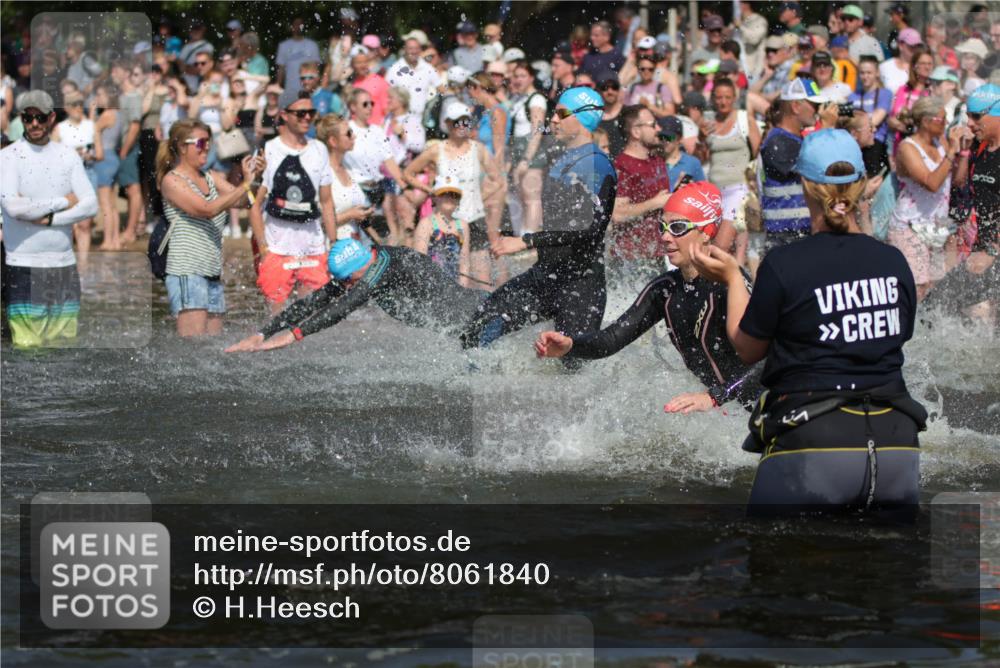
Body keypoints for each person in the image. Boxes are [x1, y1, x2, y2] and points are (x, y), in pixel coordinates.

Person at [690, 128, 925, 512]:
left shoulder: (784, 264)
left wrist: (733, 278)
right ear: (861, 185)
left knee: (775, 563)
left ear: (805, 186)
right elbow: (900, 335)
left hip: (814, 436)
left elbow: (747, 348)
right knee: (889, 569)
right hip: (896, 439)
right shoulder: (893, 261)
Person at [536, 182, 759, 412]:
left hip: (766, 406)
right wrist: (571, 345)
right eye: (662, 227)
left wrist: (714, 397)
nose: (665, 236)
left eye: (678, 227)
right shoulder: (665, 290)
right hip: (729, 412)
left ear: (706, 232)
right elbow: (612, 339)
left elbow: (767, 358)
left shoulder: (731, 283)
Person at [460, 87, 617, 359]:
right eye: (554, 112)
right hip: (546, 275)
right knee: (476, 328)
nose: (553, 119)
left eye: (561, 113)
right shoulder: (563, 158)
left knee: (571, 371)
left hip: (580, 286)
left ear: (585, 117)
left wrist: (525, 240)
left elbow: (587, 229)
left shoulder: (594, 163)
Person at [224, 238, 487, 353]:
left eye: (347, 281)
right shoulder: (361, 270)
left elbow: (344, 307)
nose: (346, 286)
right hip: (461, 329)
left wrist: (292, 336)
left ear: (356, 270)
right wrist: (262, 333)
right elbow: (313, 302)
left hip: (477, 315)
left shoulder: (383, 266)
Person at [1, 90, 98, 349]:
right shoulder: (8, 157)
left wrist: (52, 220)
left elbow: (91, 204)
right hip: (23, 265)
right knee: (28, 348)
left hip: (63, 265)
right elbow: (13, 207)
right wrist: (64, 201)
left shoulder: (67, 155)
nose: (34, 123)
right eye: (28, 117)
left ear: (51, 118)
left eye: (40, 117)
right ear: (21, 118)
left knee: (64, 348)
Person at [157, 120, 262, 336]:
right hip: (187, 271)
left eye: (208, 142)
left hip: (212, 272)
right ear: (181, 146)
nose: (207, 147)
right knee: (193, 348)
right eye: (201, 142)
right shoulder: (172, 181)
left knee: (211, 348)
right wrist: (243, 185)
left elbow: (245, 202)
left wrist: (254, 177)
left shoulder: (210, 176)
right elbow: (205, 209)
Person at [249, 92, 338, 314]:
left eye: (311, 113)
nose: (307, 117)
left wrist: (334, 243)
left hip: (313, 246)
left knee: (311, 318)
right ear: (284, 115)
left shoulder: (320, 149)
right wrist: (263, 250)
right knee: (276, 320)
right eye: (301, 113)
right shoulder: (268, 149)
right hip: (277, 247)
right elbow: (254, 204)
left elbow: (327, 202)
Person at [404, 103, 500, 287]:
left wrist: (479, 196)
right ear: (447, 124)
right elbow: (408, 173)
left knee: (483, 279)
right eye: (457, 122)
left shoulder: (478, 149)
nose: (462, 126)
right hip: (446, 221)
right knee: (445, 275)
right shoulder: (436, 149)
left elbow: (498, 180)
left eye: (466, 122)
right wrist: (430, 191)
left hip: (474, 217)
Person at [926, 84, 1000, 319]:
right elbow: (960, 183)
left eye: (976, 116)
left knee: (936, 307)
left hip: (991, 252)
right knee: (933, 308)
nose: (969, 122)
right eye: (968, 115)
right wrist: (964, 152)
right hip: (983, 250)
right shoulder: (981, 147)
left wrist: (991, 250)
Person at [889, 97, 967, 301]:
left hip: (936, 226)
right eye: (942, 119)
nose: (946, 122)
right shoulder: (908, 147)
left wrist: (964, 151)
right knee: (917, 289)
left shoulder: (941, 143)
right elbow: (931, 183)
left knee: (936, 288)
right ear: (926, 121)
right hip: (909, 226)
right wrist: (951, 151)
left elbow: (958, 181)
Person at [759, 79, 836, 254]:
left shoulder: (797, 140)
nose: (818, 111)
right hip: (784, 235)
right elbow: (816, 166)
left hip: (801, 231)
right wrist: (825, 129)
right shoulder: (778, 141)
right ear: (795, 106)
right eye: (814, 105)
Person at [609, 105, 670, 284]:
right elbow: (618, 214)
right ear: (636, 131)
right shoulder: (622, 165)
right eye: (653, 125)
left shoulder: (657, 160)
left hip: (657, 252)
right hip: (631, 257)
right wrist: (656, 202)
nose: (658, 129)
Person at [702, 78, 760, 256]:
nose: (723, 101)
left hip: (738, 189)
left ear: (734, 98)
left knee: (720, 246)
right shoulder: (708, 121)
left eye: (727, 97)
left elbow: (757, 152)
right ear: (712, 98)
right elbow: (703, 158)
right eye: (718, 97)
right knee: (711, 244)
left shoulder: (744, 119)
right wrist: (701, 138)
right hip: (714, 192)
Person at [344, 88, 409, 245]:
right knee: (366, 240)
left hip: (378, 191)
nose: (370, 108)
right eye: (365, 104)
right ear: (353, 107)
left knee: (386, 239)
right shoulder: (346, 130)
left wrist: (405, 190)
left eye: (371, 103)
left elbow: (390, 162)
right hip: (356, 191)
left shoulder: (377, 131)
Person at [316, 114, 376, 246]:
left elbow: (356, 214)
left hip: (356, 248)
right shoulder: (323, 174)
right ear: (333, 141)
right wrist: (350, 214)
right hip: (333, 251)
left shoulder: (348, 168)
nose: (354, 136)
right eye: (348, 133)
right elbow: (319, 224)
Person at [507, 61, 548, 235]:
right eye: (516, 76)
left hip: (532, 154)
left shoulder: (536, 99)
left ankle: (530, 239)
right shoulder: (518, 99)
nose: (518, 80)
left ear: (531, 78)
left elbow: (537, 131)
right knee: (520, 197)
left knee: (532, 197)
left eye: (523, 76)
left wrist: (526, 159)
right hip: (518, 150)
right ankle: (523, 235)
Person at [412, 181, 471, 284]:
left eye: (454, 195)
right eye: (444, 194)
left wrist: (463, 287)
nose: (450, 198)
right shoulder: (426, 223)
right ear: (434, 198)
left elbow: (464, 261)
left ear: (458, 201)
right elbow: (420, 260)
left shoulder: (462, 226)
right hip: (430, 281)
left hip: (453, 283)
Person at [90, 83, 123, 251]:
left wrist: (91, 112)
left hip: (104, 159)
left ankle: (108, 241)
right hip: (113, 158)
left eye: (100, 95)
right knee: (112, 204)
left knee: (105, 204)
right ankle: (115, 239)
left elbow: (90, 130)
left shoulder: (107, 114)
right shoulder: (117, 113)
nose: (98, 98)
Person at [850, 57, 893, 177]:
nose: (865, 76)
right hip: (856, 143)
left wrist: (858, 122)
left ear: (877, 73)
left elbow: (876, 120)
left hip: (875, 143)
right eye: (862, 73)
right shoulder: (853, 95)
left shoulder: (885, 93)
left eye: (869, 72)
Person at [887, 48, 934, 155]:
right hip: (900, 145)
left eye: (930, 64)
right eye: (923, 63)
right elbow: (891, 118)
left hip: (923, 148)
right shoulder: (902, 90)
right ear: (914, 66)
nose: (927, 67)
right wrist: (898, 124)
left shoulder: (933, 91)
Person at [386, 37, 441, 117]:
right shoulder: (394, 69)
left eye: (416, 48)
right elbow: (387, 93)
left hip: (421, 119)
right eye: (410, 48)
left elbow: (441, 88)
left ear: (420, 50)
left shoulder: (428, 68)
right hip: (399, 117)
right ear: (405, 50)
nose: (414, 51)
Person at [276, 17, 321, 97]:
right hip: (290, 90)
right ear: (292, 26)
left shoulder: (312, 45)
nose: (299, 26)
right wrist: (278, 86)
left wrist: (316, 88)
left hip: (309, 90)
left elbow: (315, 68)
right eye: (296, 24)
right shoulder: (284, 46)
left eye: (301, 24)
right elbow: (281, 69)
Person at [299, 61, 343, 139]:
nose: (306, 81)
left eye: (310, 77)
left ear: (318, 77)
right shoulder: (297, 99)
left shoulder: (330, 97)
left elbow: (342, 123)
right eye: (302, 78)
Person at [658, 116, 705, 187]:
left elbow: (703, 191)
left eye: (668, 137)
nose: (664, 141)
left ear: (679, 138)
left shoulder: (693, 163)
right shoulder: (653, 164)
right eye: (660, 137)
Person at [880, 28, 922, 95]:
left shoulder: (921, 69)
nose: (915, 49)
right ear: (900, 45)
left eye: (918, 46)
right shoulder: (885, 67)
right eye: (911, 46)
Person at [596, 77, 626, 158]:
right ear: (599, 91)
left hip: (624, 165)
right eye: (605, 88)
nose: (610, 91)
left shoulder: (627, 113)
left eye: (614, 87)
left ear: (619, 90)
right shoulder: (593, 117)